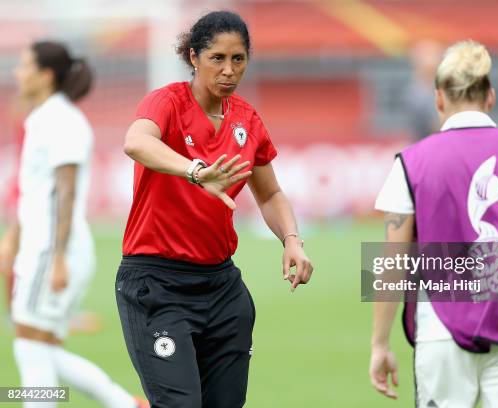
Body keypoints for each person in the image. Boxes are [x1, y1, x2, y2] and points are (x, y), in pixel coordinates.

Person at [116, 11, 313, 408]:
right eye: (217, 59)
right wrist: (195, 171)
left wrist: (292, 240)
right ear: (193, 57)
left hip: (222, 289)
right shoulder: (167, 102)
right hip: (158, 285)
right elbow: (136, 142)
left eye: (237, 59)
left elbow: (270, 194)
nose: (228, 70)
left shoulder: (247, 120)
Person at [370, 40, 498, 407]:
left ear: (438, 100)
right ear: (491, 97)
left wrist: (380, 343)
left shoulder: (410, 163)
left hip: (441, 333)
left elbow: (394, 263)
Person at [4, 41, 147, 408]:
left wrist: (57, 258)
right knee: (43, 347)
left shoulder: (62, 121)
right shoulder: (42, 118)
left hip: (51, 250)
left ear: (46, 74)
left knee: (29, 346)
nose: (18, 73)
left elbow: (65, 193)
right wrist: (13, 241)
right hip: (42, 247)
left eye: (25, 65)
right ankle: (126, 404)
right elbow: (36, 192)